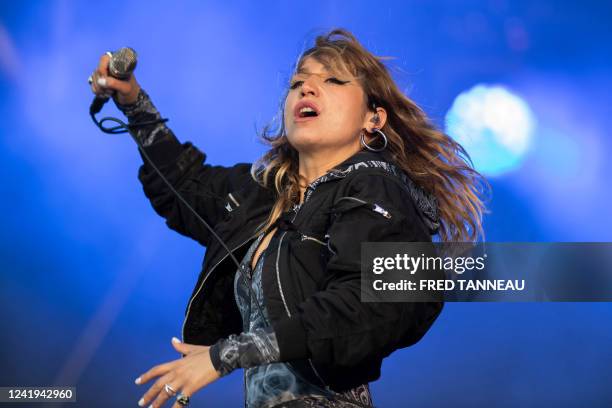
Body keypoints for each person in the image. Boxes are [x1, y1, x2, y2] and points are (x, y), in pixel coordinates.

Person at [89, 28, 487, 408]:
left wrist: (224, 354)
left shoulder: (377, 188)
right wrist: (134, 102)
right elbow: (185, 186)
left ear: (373, 119)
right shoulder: (264, 199)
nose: (307, 88)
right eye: (298, 82)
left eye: (333, 81)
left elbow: (364, 307)